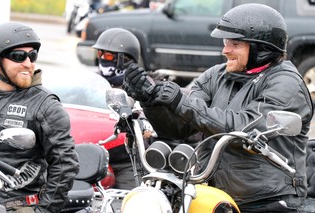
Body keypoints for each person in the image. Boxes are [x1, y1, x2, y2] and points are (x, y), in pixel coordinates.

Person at [123, 3, 313, 213]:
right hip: (211, 190)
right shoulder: (216, 75)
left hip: (266, 198)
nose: (225, 50)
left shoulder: (286, 83)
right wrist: (150, 100)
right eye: (225, 42)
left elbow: (245, 128)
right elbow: (180, 129)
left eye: (235, 44)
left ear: (261, 49)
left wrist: (180, 101)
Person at [0, 22, 79, 213]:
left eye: (32, 55)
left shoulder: (46, 105)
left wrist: (44, 211)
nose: (28, 63)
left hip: (18, 205)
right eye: (19, 56)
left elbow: (65, 164)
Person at [92, 28, 155, 189]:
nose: (102, 60)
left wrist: (141, 120)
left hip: (125, 156)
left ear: (124, 59)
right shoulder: (94, 80)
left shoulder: (142, 85)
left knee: (132, 197)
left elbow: (150, 114)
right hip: (95, 148)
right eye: (100, 54)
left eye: (108, 56)